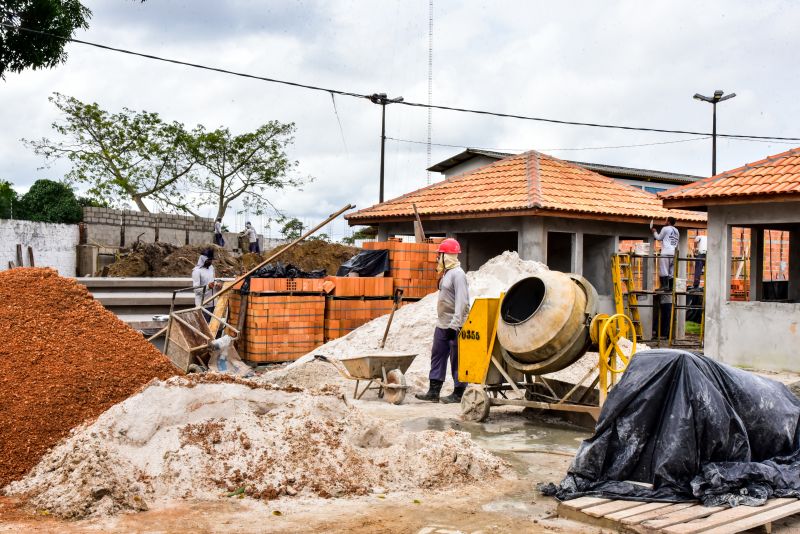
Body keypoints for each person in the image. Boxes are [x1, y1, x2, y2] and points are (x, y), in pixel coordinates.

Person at [415, 238, 470, 404]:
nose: (437, 257)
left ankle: (459, 393)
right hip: (442, 323)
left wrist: (455, 324)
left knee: (457, 359)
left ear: (448, 256)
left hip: (455, 325)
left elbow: (462, 302)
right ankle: (434, 391)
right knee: (437, 355)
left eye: (440, 255)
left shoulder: (458, 274)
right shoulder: (447, 273)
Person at [652, 216, 680, 290]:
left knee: (663, 269)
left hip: (666, 252)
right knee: (671, 271)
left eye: (666, 220)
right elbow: (677, 243)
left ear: (669, 222)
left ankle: (664, 286)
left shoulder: (665, 228)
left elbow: (659, 238)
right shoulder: (677, 231)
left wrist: (654, 232)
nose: (665, 222)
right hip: (674, 253)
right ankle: (671, 287)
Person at [191, 249, 220, 319]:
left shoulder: (211, 268)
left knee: (213, 324)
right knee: (204, 324)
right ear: (203, 259)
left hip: (213, 303)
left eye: (211, 260)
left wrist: (217, 284)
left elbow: (212, 281)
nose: (210, 262)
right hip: (203, 305)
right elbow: (196, 290)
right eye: (209, 260)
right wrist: (208, 287)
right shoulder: (197, 271)